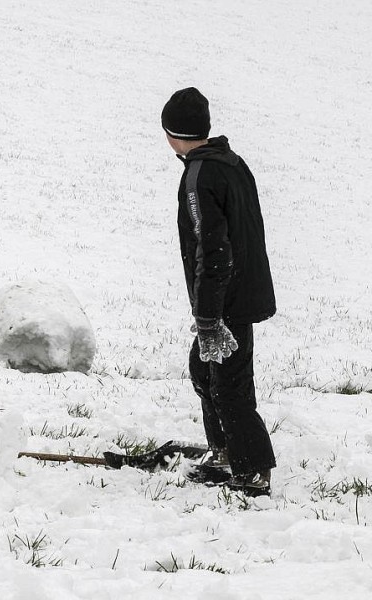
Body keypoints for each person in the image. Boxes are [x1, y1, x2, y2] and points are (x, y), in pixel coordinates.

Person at [161, 87, 277, 497]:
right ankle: (225, 451)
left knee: (229, 385)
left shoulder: (199, 174)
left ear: (173, 134)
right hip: (238, 290)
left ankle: (252, 468)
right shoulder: (230, 161)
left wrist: (209, 318)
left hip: (227, 297)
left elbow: (212, 248)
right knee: (204, 371)